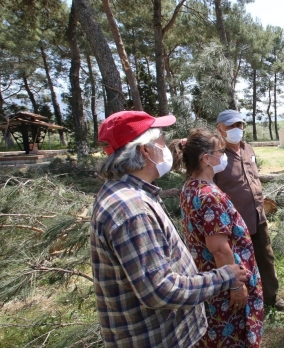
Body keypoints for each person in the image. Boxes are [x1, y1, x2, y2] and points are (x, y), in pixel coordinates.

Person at [91, 111, 247, 347]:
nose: (167, 147)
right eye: (162, 141)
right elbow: (161, 290)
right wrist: (226, 276)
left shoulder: (134, 195)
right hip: (158, 338)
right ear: (145, 150)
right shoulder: (132, 210)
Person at [169, 129, 264, 347]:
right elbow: (219, 248)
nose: (223, 156)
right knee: (232, 337)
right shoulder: (210, 196)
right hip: (224, 284)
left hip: (208, 277)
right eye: (219, 151)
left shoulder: (190, 187)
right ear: (206, 159)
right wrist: (235, 286)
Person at [214, 109, 284, 312]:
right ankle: (242, 298)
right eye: (231, 126)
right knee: (239, 262)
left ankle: (271, 296)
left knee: (265, 257)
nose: (236, 129)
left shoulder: (248, 149)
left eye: (239, 125)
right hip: (234, 223)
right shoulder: (217, 156)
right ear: (219, 129)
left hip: (258, 215)